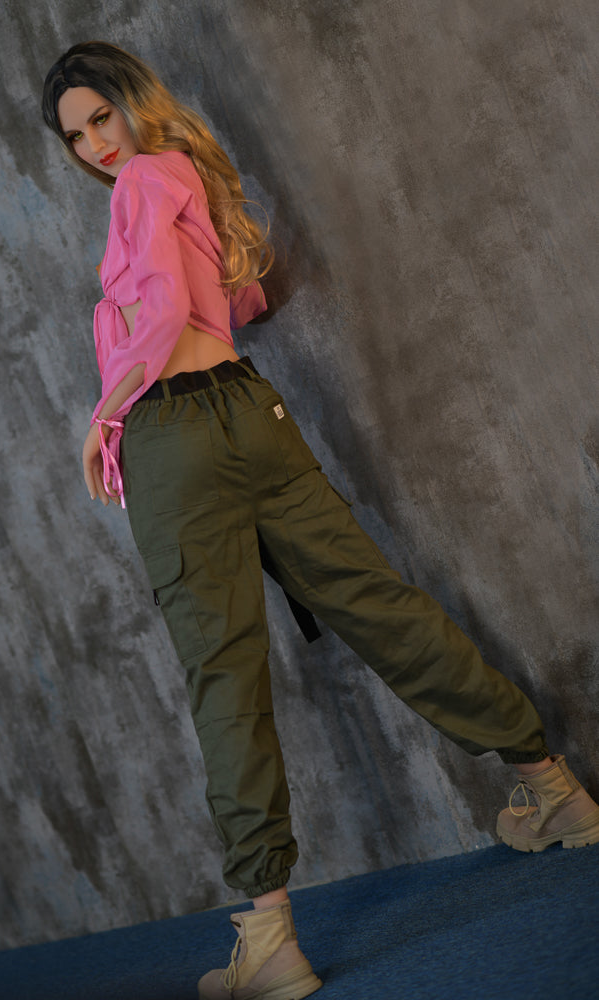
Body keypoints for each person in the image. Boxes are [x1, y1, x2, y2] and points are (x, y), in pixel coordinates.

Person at [42, 41, 599, 1000]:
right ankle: (553, 788)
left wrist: (103, 416)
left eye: (102, 117)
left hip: (174, 435)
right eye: (76, 135)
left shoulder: (137, 180)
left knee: (224, 672)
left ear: (134, 104)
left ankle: (269, 939)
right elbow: (238, 301)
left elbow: (165, 311)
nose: (96, 144)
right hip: (250, 413)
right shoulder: (182, 174)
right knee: (374, 602)